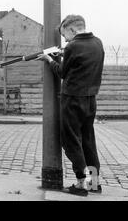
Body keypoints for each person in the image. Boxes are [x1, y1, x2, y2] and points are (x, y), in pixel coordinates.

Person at [37, 15, 104, 196]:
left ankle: (81, 183)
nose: (65, 39)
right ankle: (94, 183)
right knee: (88, 140)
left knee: (71, 140)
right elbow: (82, 62)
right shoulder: (97, 43)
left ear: (72, 29)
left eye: (65, 34)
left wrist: (49, 59)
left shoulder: (73, 46)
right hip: (91, 100)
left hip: (73, 100)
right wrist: (65, 54)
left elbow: (62, 72)